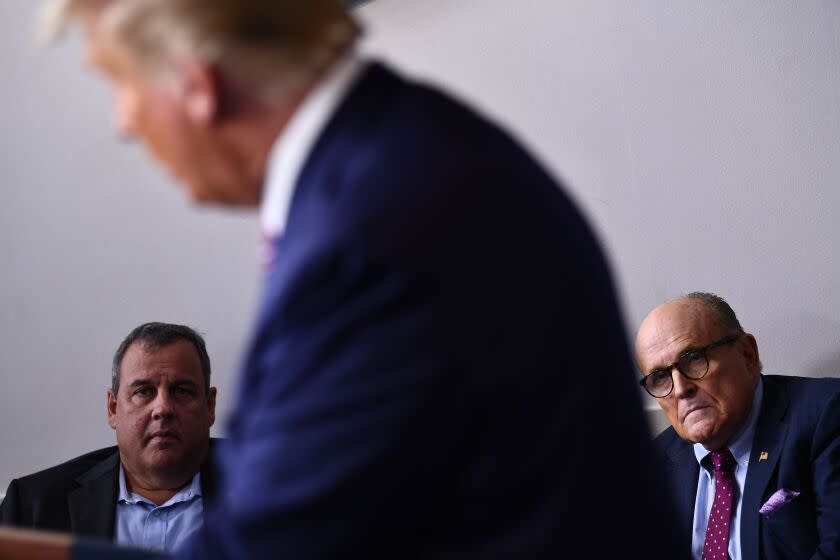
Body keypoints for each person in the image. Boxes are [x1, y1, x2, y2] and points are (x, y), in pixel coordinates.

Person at [4, 0, 683, 557]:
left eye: (120, 81)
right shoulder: (402, 156)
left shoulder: (373, 234)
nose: (123, 122)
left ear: (194, 81)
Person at [636, 292, 840, 560]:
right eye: (660, 376)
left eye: (694, 359)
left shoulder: (826, 415)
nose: (681, 389)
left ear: (747, 354)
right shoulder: (654, 464)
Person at [0, 322, 218, 553]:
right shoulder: (33, 507)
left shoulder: (258, 491)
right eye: (143, 391)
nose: (162, 408)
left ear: (209, 406)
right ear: (113, 409)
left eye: (181, 391)